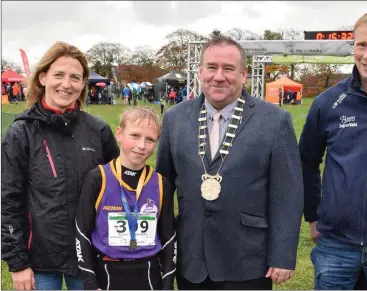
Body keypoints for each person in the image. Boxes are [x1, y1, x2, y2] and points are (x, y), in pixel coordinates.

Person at [156, 35, 303, 290]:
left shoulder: (275, 121)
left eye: (229, 69)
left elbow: (288, 194)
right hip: (193, 259)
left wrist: (282, 254)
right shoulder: (174, 119)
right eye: (212, 67)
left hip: (247, 260)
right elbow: (162, 188)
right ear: (201, 71)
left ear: (244, 74)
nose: (219, 76)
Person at [1, 41, 120, 290]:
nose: (66, 84)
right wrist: (18, 263)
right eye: (58, 75)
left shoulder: (99, 131)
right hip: (39, 262)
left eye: (75, 77)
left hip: (90, 257)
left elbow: (117, 193)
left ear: (83, 83)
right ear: (42, 77)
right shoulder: (20, 133)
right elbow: (8, 201)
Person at [299, 13, 367, 290]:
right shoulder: (329, 102)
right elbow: (306, 160)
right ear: (353, 47)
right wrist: (313, 216)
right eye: (362, 45)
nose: (366, 54)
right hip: (336, 246)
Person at [75, 107, 176, 290]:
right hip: (107, 272)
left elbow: (169, 238)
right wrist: (90, 284)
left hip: (148, 274)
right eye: (135, 136)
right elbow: (82, 232)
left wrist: (167, 284)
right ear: (119, 134)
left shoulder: (162, 184)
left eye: (150, 140)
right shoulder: (97, 178)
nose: (142, 145)